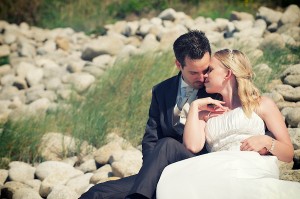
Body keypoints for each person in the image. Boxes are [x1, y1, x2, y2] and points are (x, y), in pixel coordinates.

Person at [79, 30, 220, 199]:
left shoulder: (216, 89)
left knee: (166, 144)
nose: (202, 77)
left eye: (205, 70)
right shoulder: (161, 90)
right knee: (97, 193)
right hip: (162, 168)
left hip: (198, 166)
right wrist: (151, 171)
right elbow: (151, 137)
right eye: (194, 73)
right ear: (178, 64)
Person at [156, 49, 300, 199]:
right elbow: (192, 146)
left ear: (227, 74)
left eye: (210, 70)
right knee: (173, 180)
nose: (204, 76)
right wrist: (195, 107)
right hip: (215, 167)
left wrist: (266, 141)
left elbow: (288, 154)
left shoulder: (261, 104)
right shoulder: (206, 113)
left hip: (249, 167)